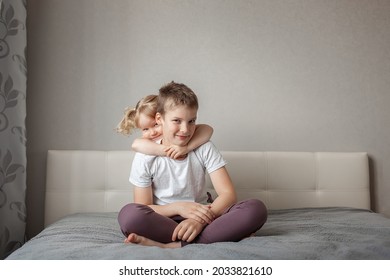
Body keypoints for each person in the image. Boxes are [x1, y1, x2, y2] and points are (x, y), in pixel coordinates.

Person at [117, 81, 267, 248]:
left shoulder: (204, 148)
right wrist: (179, 207)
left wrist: (199, 220)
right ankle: (206, 238)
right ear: (159, 119)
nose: (185, 130)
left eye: (191, 121)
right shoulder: (145, 156)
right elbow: (144, 206)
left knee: (255, 209)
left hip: (206, 215)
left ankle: (171, 245)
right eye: (177, 121)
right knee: (129, 215)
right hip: (165, 219)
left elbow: (228, 194)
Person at [116, 94, 214, 159]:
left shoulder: (181, 134)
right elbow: (135, 144)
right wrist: (169, 151)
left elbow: (207, 129)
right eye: (145, 129)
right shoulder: (150, 143)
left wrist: (186, 148)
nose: (152, 132)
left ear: (162, 119)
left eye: (155, 125)